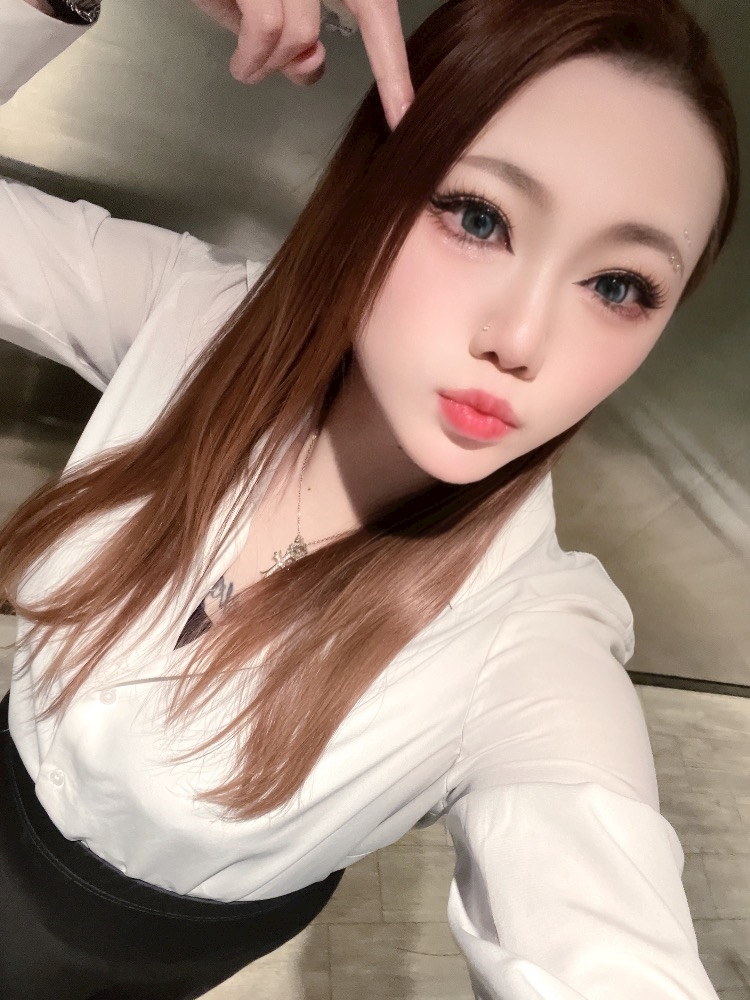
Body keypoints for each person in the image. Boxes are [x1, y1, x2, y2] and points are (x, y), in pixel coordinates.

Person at [0, 0, 740, 997]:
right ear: (375, 184)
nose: (520, 340)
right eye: (479, 217)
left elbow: (605, 942)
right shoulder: (194, 318)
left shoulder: (532, 651)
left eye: (618, 286)